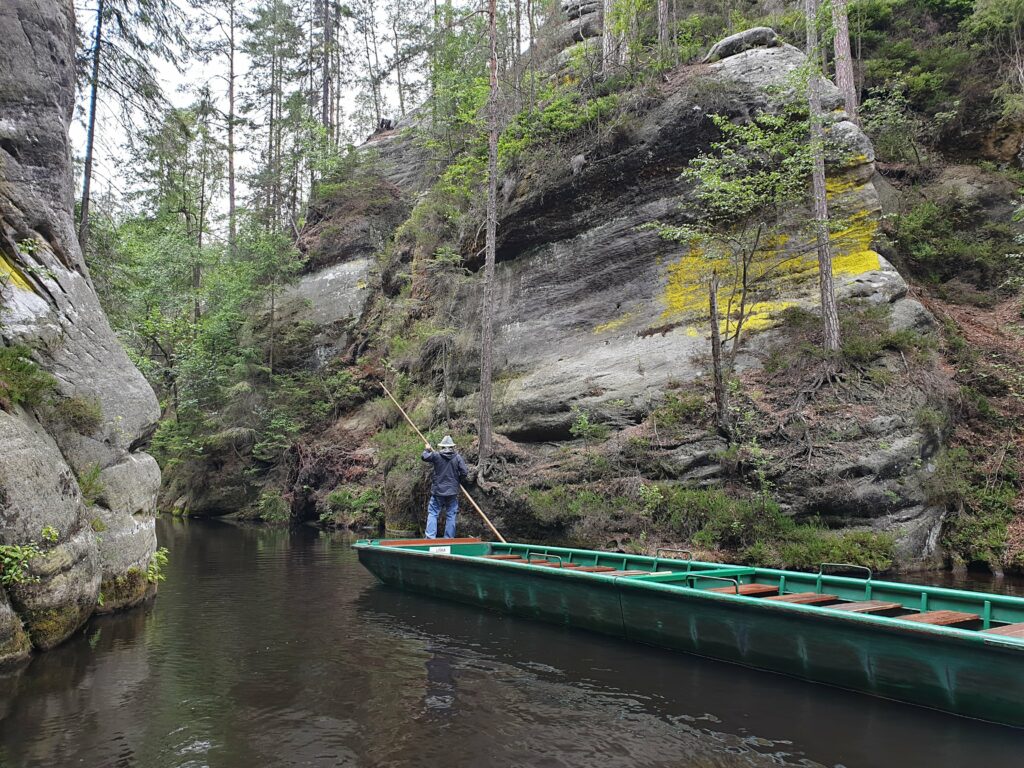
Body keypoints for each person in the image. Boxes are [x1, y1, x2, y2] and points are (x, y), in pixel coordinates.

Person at [421, 435, 469, 539]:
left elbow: (424, 456)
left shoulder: (436, 455)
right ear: (452, 447)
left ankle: (430, 538)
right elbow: (464, 472)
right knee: (451, 514)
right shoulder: (457, 458)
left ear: (442, 447)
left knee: (433, 513)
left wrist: (427, 449)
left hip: (438, 491)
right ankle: (449, 538)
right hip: (452, 491)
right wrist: (457, 481)